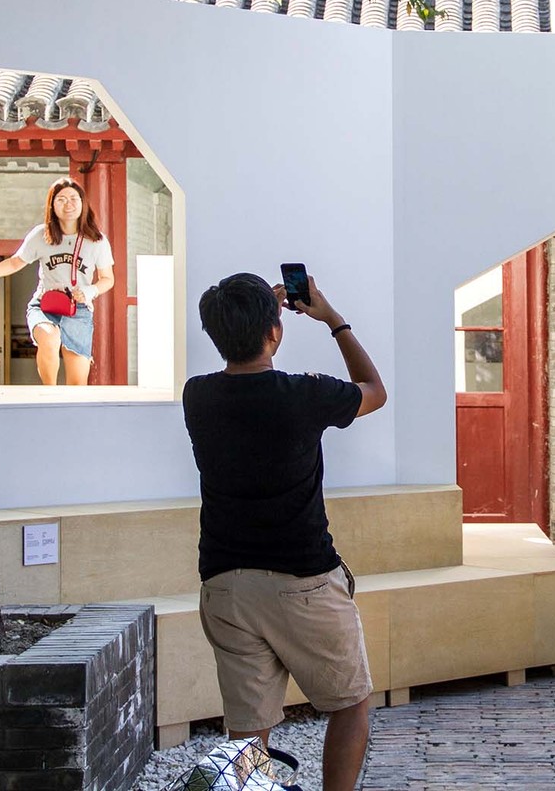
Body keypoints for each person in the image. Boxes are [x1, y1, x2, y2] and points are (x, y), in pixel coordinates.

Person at [182, 271, 387, 791]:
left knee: (247, 733)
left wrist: (256, 317)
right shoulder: (303, 394)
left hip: (226, 584)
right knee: (350, 704)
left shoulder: (197, 397)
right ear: (276, 332)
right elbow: (375, 391)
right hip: (305, 581)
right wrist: (331, 317)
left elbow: (243, 360)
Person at [0, 176, 115, 386]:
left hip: (78, 308)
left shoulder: (97, 241)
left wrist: (90, 291)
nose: (68, 204)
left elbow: (108, 279)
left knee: (77, 383)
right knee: (49, 337)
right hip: (46, 304)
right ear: (52, 205)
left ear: (83, 203)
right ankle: (49, 393)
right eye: (61, 199)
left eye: (73, 198)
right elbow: (16, 262)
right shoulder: (41, 235)